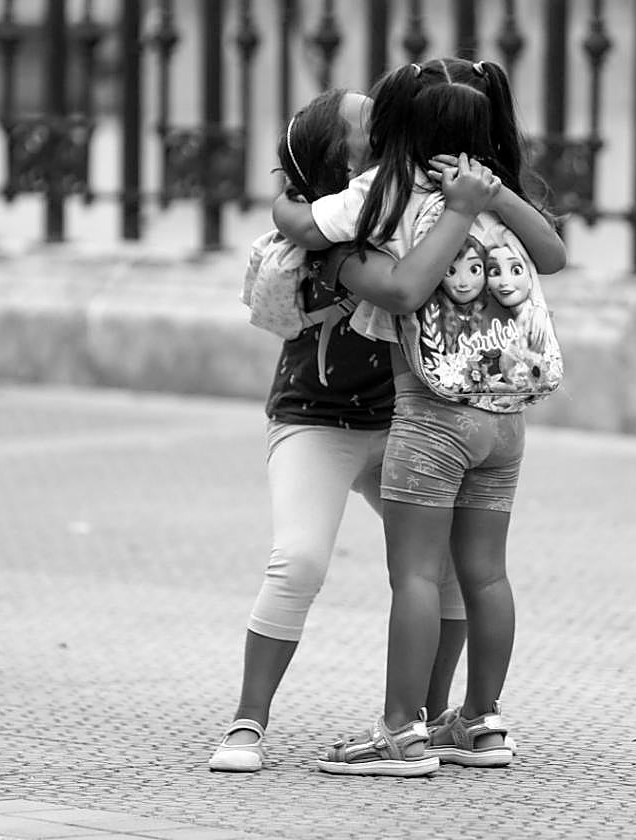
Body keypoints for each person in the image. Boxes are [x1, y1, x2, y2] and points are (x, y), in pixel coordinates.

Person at [271, 57, 566, 777]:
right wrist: (488, 193)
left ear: (399, 129)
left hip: (432, 417)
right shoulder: (495, 193)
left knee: (417, 577)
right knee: (486, 576)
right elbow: (554, 254)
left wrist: (280, 203)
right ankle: (482, 721)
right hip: (505, 420)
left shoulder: (390, 193)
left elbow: (311, 227)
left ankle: (401, 731)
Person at [208, 88, 471, 773]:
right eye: (368, 126)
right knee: (298, 560)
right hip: (315, 422)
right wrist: (290, 211)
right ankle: (246, 723)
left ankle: (429, 720)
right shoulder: (323, 237)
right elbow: (394, 284)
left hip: (406, 424)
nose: (386, 130)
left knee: (447, 570)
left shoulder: (416, 216)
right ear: (340, 162)